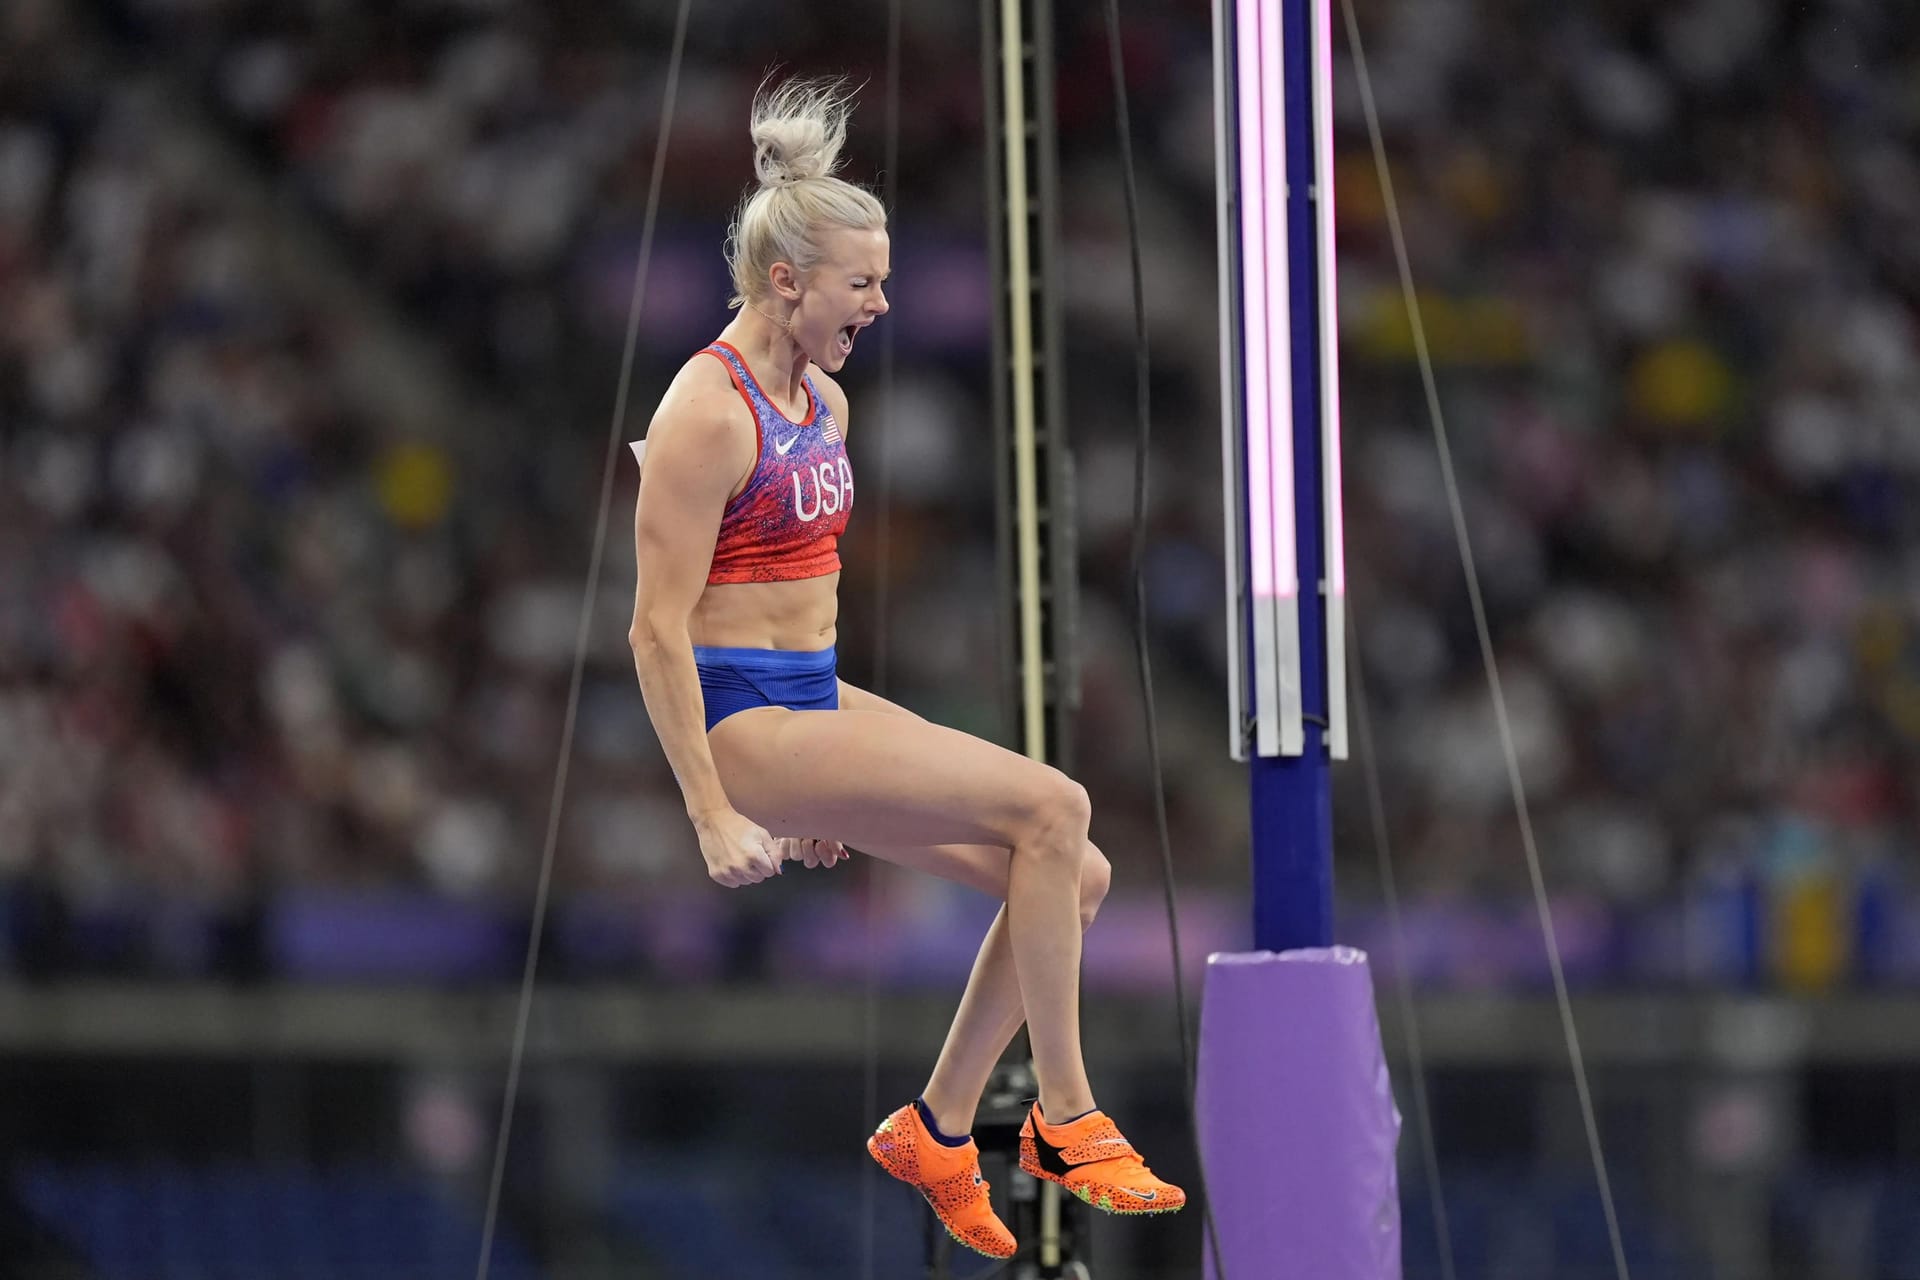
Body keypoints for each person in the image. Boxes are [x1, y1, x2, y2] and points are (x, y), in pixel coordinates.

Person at [626, 75, 1185, 1259]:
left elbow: (804, 599)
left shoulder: (823, 401)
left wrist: (840, 780)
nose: (882, 305)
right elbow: (655, 631)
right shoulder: (704, 410)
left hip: (810, 704)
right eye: (863, 284)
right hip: (741, 723)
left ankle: (934, 1128)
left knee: (1072, 872)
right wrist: (720, 808)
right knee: (1056, 802)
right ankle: (1067, 1116)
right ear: (788, 282)